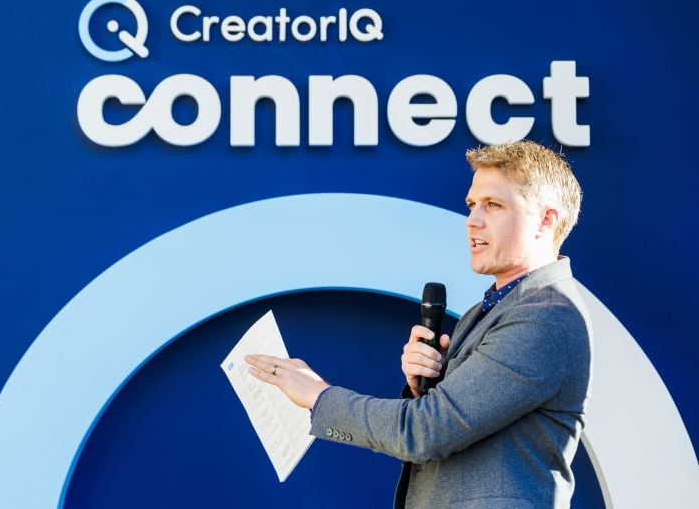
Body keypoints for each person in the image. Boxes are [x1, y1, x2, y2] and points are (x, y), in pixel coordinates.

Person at [246, 140, 592, 509]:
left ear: (546, 220)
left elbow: (427, 432)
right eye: (472, 205)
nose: (473, 220)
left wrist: (318, 395)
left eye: (494, 205)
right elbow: (453, 430)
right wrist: (424, 387)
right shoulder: (488, 309)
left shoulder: (546, 315)